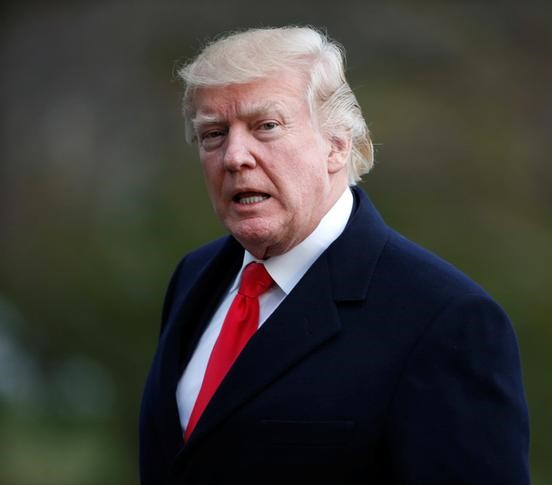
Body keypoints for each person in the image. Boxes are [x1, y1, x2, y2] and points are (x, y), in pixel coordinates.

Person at [139, 26, 529, 484]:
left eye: (266, 126)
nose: (234, 156)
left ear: (337, 145)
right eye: (213, 133)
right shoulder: (195, 276)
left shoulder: (446, 321)